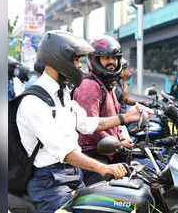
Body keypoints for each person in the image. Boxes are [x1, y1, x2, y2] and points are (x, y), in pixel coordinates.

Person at [17, 31, 148, 213]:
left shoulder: (62, 94)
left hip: (73, 175)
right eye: (76, 60)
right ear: (58, 59)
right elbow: (66, 152)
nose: (80, 66)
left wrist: (125, 117)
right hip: (50, 185)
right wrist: (103, 168)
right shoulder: (34, 102)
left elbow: (87, 123)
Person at [72, 35, 134, 185]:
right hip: (93, 156)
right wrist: (118, 143)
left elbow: (114, 121)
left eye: (114, 58)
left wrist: (122, 137)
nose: (112, 62)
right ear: (96, 60)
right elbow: (91, 127)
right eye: (106, 58)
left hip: (110, 151)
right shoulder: (90, 86)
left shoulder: (108, 85)